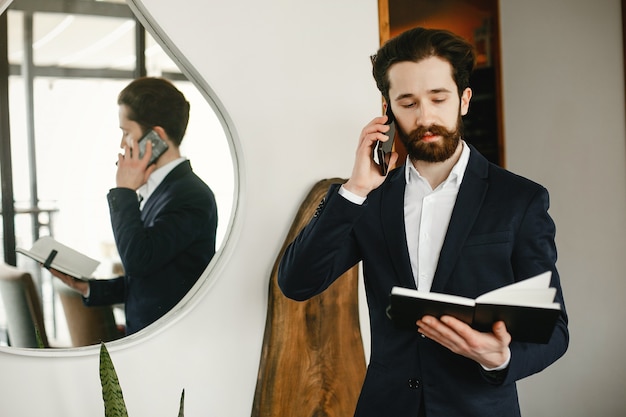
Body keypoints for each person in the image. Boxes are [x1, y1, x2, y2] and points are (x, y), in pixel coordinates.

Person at [278, 27, 568, 417]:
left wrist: (499, 357)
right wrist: (354, 189)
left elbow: (555, 330)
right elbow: (297, 283)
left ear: (464, 100)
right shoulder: (369, 198)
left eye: (438, 98)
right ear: (388, 110)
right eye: (408, 102)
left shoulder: (519, 199)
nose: (426, 116)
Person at [53, 77, 218, 335]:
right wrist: (88, 287)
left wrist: (124, 191)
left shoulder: (191, 195)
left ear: (157, 136)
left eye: (126, 132)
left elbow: (138, 260)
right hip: (150, 338)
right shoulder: (161, 189)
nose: (122, 144)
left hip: (170, 341)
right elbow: (150, 278)